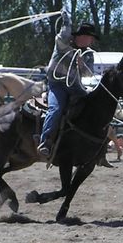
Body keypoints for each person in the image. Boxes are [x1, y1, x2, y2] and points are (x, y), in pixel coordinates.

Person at [38, 9, 99, 157]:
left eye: (91, 39)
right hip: (56, 83)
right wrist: (67, 20)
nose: (90, 41)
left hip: (75, 86)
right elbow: (63, 32)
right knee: (56, 108)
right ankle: (45, 141)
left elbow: (87, 73)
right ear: (82, 36)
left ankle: (97, 142)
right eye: (89, 38)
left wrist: (81, 64)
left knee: (94, 105)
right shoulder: (64, 42)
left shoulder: (88, 54)